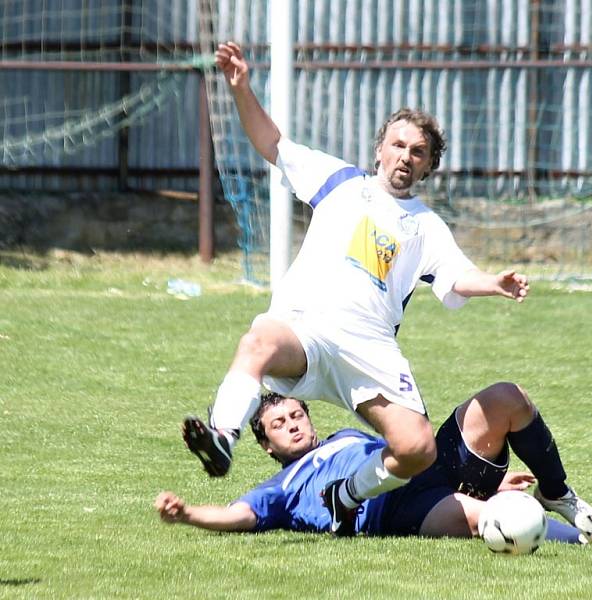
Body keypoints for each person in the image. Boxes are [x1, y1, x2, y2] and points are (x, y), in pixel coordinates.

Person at [182, 41, 529, 534]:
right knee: (257, 341)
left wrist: (493, 282)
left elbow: (456, 277)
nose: (405, 157)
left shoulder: (427, 225)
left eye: (418, 152)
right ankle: (222, 435)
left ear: (428, 165)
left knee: (417, 449)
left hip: (369, 349)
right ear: (379, 149)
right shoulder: (339, 181)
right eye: (398, 145)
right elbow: (271, 144)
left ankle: (346, 493)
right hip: (309, 334)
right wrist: (241, 88)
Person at [165, 382, 592, 545]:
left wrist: (495, 479)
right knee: (494, 520)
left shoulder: (347, 436)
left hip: (425, 461)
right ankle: (590, 540)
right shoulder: (282, 486)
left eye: (296, 415)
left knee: (506, 399)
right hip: (401, 509)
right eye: (278, 425)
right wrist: (188, 514)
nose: (292, 425)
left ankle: (557, 491)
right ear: (266, 445)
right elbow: (239, 515)